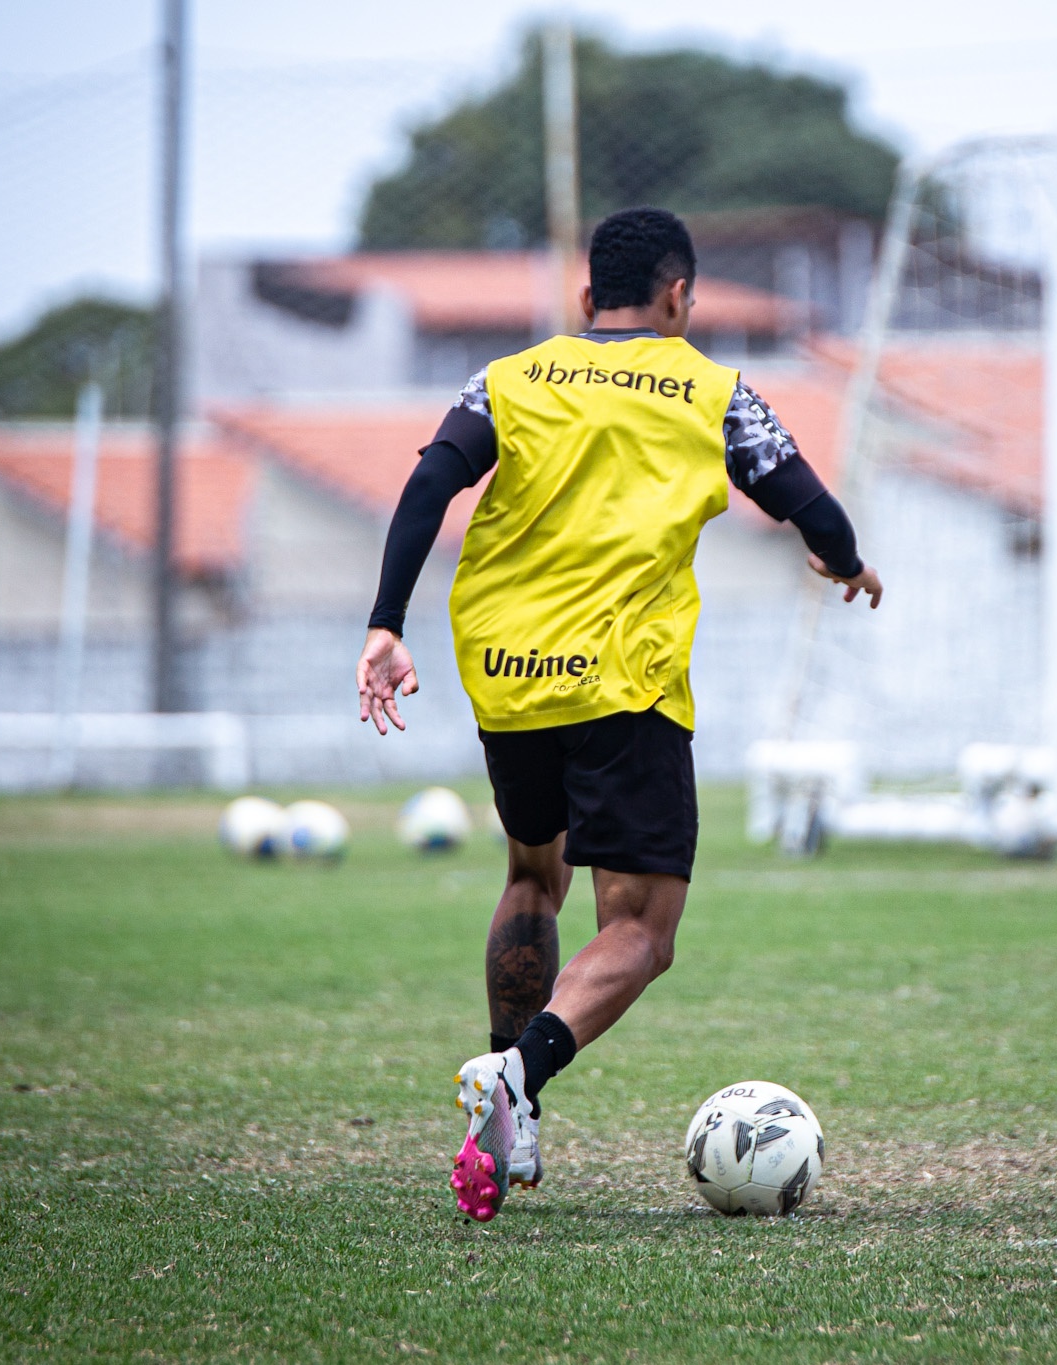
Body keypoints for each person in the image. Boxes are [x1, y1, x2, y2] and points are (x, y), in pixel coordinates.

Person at [355, 206, 883, 1219]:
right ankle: (518, 1074)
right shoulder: (713, 390)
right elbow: (808, 503)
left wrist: (386, 621)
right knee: (639, 929)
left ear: (585, 297)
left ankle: (511, 1125)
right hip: (622, 684)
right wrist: (845, 558)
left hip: (506, 674)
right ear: (678, 296)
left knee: (530, 872)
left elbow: (431, 480)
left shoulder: (508, 378)